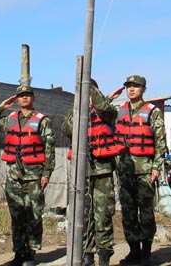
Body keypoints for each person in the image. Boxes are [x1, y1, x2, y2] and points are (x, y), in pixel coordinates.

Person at [0, 84, 56, 266]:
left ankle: (31, 254)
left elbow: (49, 149)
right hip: (14, 176)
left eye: (27, 95)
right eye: (21, 96)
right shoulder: (10, 119)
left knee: (33, 214)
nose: (24, 98)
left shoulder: (42, 121)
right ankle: (19, 253)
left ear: (33, 98)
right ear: (16, 99)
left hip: (34, 176)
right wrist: (0, 108)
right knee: (17, 216)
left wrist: (46, 173)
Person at [62, 79, 124, 266]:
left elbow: (106, 108)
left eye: (90, 93)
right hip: (82, 171)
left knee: (103, 214)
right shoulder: (75, 113)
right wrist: (84, 110)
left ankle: (104, 255)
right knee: (84, 215)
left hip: (103, 169)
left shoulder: (108, 112)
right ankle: (87, 254)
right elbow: (67, 129)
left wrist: (95, 97)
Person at [110, 75, 167, 266]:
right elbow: (100, 110)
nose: (131, 89)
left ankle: (147, 252)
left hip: (145, 170)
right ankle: (133, 251)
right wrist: (110, 97)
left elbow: (161, 142)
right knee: (128, 213)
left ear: (144, 89)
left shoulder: (153, 112)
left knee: (146, 212)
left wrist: (156, 167)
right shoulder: (120, 110)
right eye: (128, 86)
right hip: (125, 170)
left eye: (135, 86)